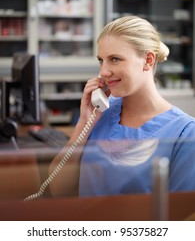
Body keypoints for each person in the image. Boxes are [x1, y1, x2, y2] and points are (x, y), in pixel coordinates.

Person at [49, 15, 195, 197]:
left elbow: (181, 214)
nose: (103, 72)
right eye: (101, 60)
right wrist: (84, 124)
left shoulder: (185, 133)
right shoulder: (99, 114)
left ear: (148, 60)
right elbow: (58, 190)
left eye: (115, 59)